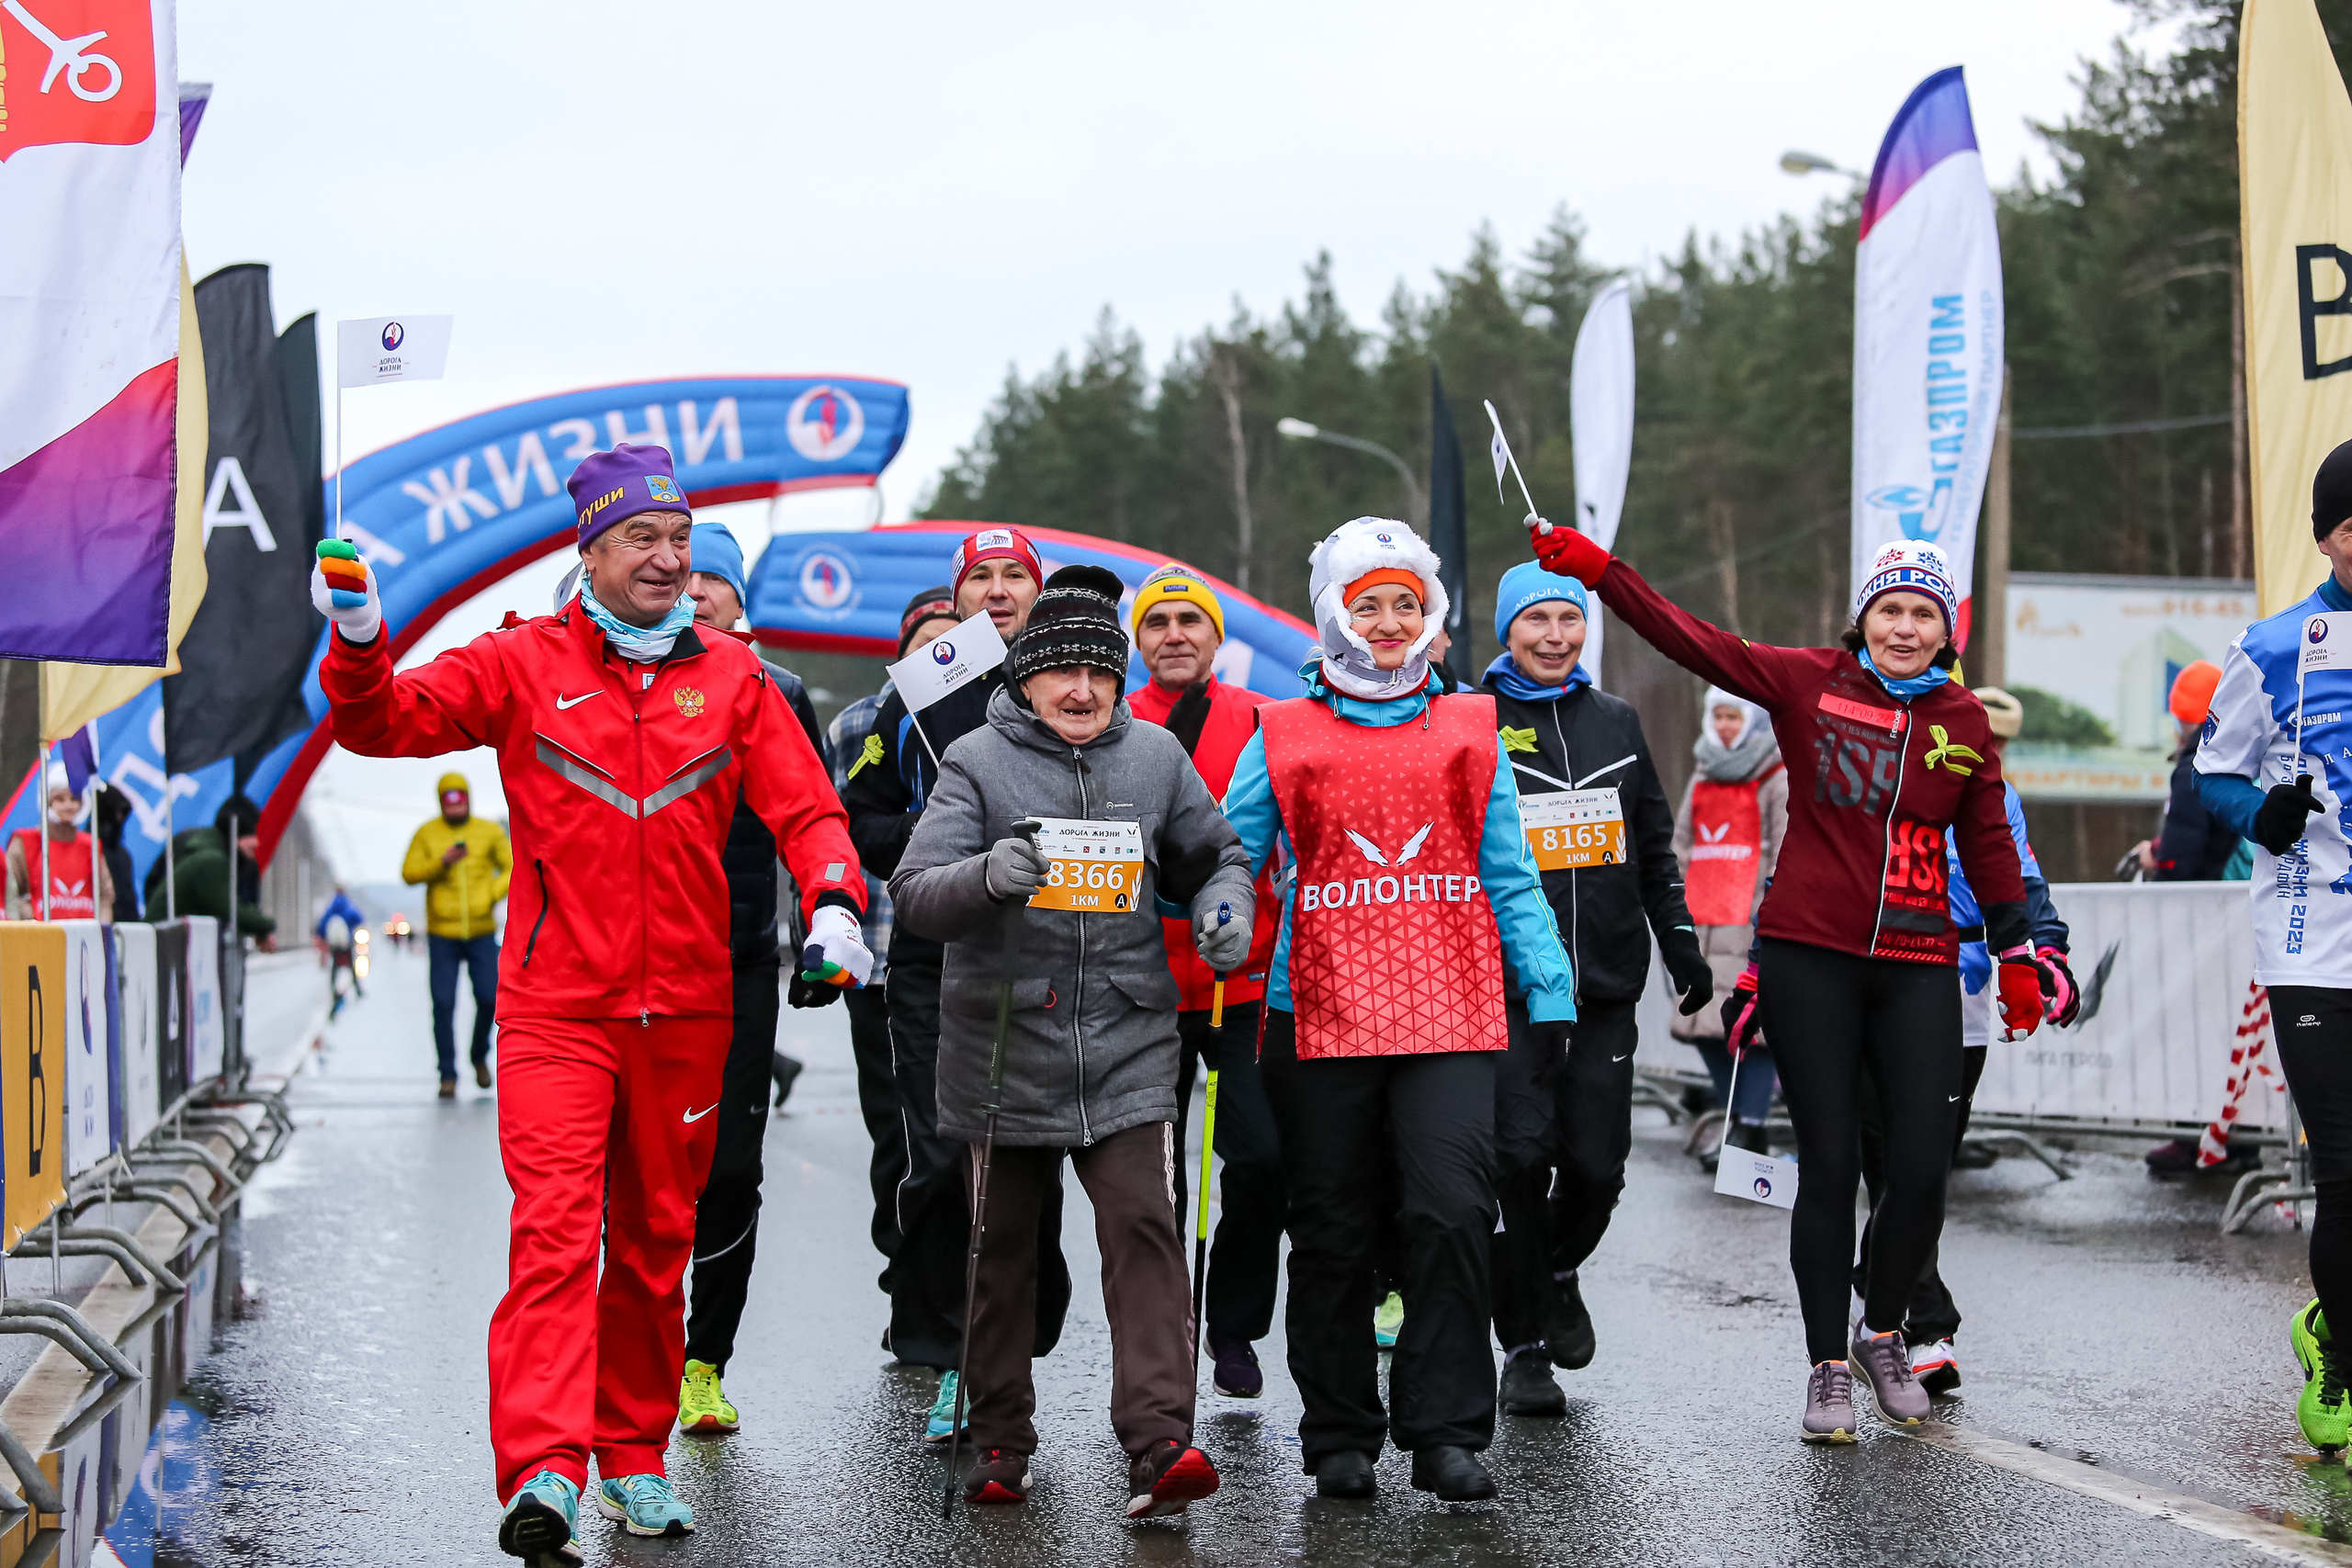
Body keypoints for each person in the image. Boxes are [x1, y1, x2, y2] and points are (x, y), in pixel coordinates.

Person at [309, 441, 871, 1555]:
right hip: (557, 1008)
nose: (667, 559)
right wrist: (363, 638)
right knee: (558, 1237)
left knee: (658, 1238)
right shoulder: (521, 664)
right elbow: (378, 726)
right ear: (592, 550)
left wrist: (837, 903)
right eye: (640, 540)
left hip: (689, 1009)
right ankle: (545, 1470)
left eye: (679, 539)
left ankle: (632, 1458)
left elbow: (809, 811)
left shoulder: (735, 678)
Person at [1532, 521, 2042, 1443]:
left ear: (1945, 631)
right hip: (1812, 958)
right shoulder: (1807, 681)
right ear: (1862, 619)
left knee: (1922, 1168)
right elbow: (1696, 641)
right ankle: (1826, 1369)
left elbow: (1990, 843)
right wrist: (1604, 574)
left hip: (1918, 960)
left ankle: (1882, 1331)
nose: (1904, 628)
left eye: (1922, 614)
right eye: (1888, 609)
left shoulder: (1962, 723)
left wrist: (2017, 948)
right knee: (1833, 1165)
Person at [1223, 517, 1576, 1502]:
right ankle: (1338, 1430)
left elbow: (1507, 870)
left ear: (1430, 617)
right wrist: (1212, 904)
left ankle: (1446, 1432)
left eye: (1405, 605)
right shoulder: (1283, 730)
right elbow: (1227, 851)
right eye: (1368, 604)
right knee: (1332, 1225)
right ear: (1336, 611)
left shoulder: (1468, 724)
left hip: (1449, 1009)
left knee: (1454, 1212)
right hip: (1318, 1010)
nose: (1387, 622)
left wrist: (1545, 985)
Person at [893, 564, 1252, 1517]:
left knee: (1143, 1234)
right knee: (1001, 1251)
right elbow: (916, 897)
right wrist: (988, 873)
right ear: (1026, 679)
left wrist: (1224, 904)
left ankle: (1160, 1446)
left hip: (1129, 1040)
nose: (1083, 690)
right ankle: (1000, 1438)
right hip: (1004, 1046)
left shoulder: (1155, 759)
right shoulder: (975, 760)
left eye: (1099, 671)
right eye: (1061, 674)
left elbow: (1213, 852)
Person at [842, 534, 1071, 1445]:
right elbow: (858, 822)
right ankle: (951, 1357)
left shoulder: (1074, 682)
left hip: (1047, 954)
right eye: (981, 576)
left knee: (1025, 1168)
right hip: (936, 957)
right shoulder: (911, 696)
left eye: (1015, 573)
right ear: (961, 596)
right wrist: (964, 856)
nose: (998, 589)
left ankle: (1015, 1330)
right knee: (940, 1162)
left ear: (1036, 592)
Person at [1476, 561, 1708, 1418]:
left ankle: (1558, 1267)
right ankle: (1525, 1346)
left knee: (1596, 1167)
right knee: (1518, 1161)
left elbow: (1652, 845)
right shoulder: (1472, 719)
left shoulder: (1617, 720)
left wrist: (1679, 940)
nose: (1554, 636)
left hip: (1606, 982)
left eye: (1568, 621)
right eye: (1536, 620)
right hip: (1507, 986)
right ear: (1509, 630)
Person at [2190, 436, 2352, 1460]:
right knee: (2343, 1172)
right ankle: (2343, 1371)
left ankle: (2332, 1321)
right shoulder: (2277, 645)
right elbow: (2210, 775)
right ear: (2331, 536)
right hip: (2312, 940)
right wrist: (2267, 816)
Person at [1850, 684, 2076, 1398]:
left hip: (1964, 992)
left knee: (1925, 1168)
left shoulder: (1991, 791)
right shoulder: (1871, 770)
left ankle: (1878, 1281)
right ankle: (1924, 1324)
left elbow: (2023, 880)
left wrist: (2050, 952)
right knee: (1888, 1158)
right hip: (1876, 983)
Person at [674, 519, 833, 1437]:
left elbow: (807, 818)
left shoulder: (777, 689)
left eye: (714, 581)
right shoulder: (624, 683)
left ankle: (705, 1364)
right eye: (683, 575)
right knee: (639, 1177)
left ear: (740, 598)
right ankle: (636, 1351)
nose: (695, 591)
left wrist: (825, 924)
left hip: (737, 962)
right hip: (633, 973)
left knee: (730, 1170)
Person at [1123, 563, 1285, 1402]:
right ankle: (1170, 1333)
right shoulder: (1111, 722)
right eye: (1158, 622)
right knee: (1157, 1181)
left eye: (1192, 620)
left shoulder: (1261, 721)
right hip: (1143, 992)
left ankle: (1235, 1323)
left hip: (1242, 983)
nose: (1175, 634)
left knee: (1262, 1160)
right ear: (1137, 639)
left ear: (1217, 638)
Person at [1669, 687, 1787, 1171]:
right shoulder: (1701, 774)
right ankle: (1741, 1120)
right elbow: (1680, 844)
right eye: (1717, 716)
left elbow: (1786, 848)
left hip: (1752, 923)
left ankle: (1749, 1127)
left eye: (1734, 716)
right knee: (1702, 1027)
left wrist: (1773, 913)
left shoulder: (1777, 778)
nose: (1724, 726)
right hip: (1704, 921)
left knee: (1753, 1031)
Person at [401, 773, 514, 1098]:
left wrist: (491, 894)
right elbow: (408, 873)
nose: (455, 807)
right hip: (442, 934)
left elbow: (512, 866)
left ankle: (479, 1056)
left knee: (489, 998)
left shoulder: (488, 831)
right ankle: (447, 1074)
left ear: (468, 798)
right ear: (441, 803)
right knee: (443, 1003)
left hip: (480, 931)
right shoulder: (427, 833)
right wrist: (441, 863)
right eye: (449, 803)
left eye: (460, 801)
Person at [143, 795, 278, 949]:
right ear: (235, 832)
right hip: (161, 946)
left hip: (166, 942)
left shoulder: (205, 853)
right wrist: (267, 926)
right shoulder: (211, 862)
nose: (256, 842)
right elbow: (231, 911)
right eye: (250, 834)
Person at [8, 768, 112, 920]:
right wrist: (30, 917)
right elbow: (9, 893)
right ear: (48, 802)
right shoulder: (25, 842)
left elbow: (105, 896)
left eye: (74, 799)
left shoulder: (90, 845)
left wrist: (101, 929)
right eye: (60, 799)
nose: (68, 805)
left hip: (84, 938)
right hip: (40, 935)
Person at [315, 885, 368, 1019]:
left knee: (335, 967)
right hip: (346, 943)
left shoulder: (331, 907)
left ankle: (333, 989)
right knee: (351, 966)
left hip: (334, 945)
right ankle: (357, 989)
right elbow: (359, 918)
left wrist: (322, 937)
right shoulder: (348, 906)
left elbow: (322, 926)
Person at [93, 783, 140, 923]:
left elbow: (129, 898)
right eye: (117, 812)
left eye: (123, 813)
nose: (120, 818)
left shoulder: (123, 854)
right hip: (100, 927)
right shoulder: (89, 848)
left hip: (128, 930)